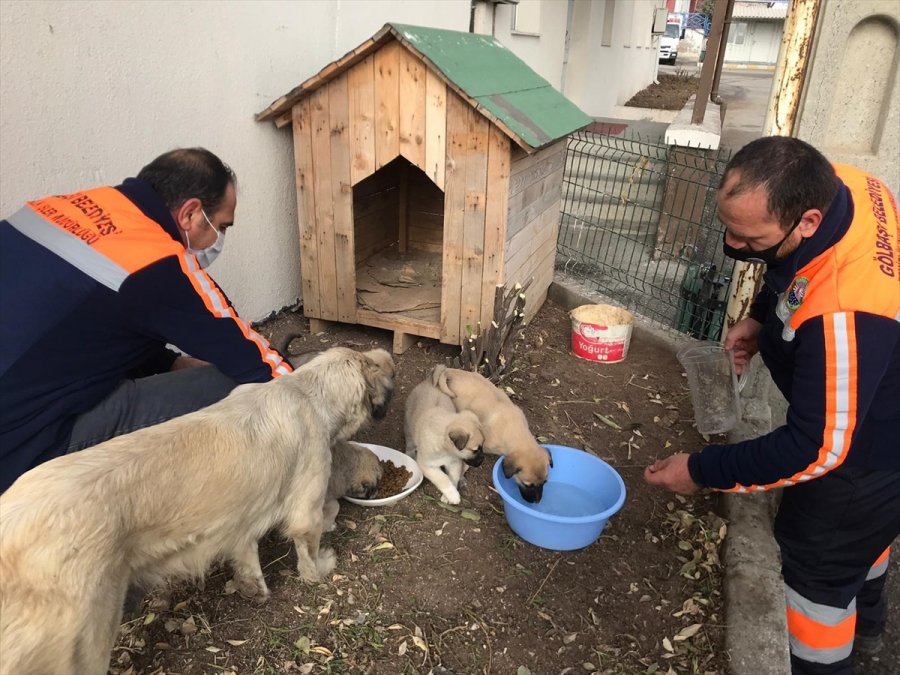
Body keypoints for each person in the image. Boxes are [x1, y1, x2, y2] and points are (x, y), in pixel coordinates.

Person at [644, 137, 899, 674]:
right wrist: (763, 315)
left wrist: (703, 470)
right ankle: (871, 625)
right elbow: (790, 270)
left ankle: (821, 660)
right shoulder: (845, 184)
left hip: (871, 451)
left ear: (806, 220)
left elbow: (818, 448)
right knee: (866, 544)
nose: (733, 246)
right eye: (728, 226)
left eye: (748, 237)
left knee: (816, 577)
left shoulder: (845, 315)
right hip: (873, 401)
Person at [0, 148, 292, 493]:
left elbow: (88, 325)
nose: (218, 239)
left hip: (16, 406)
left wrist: (171, 363)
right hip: (22, 452)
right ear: (191, 214)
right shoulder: (157, 260)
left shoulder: (55, 209)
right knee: (232, 388)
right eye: (222, 226)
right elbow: (264, 368)